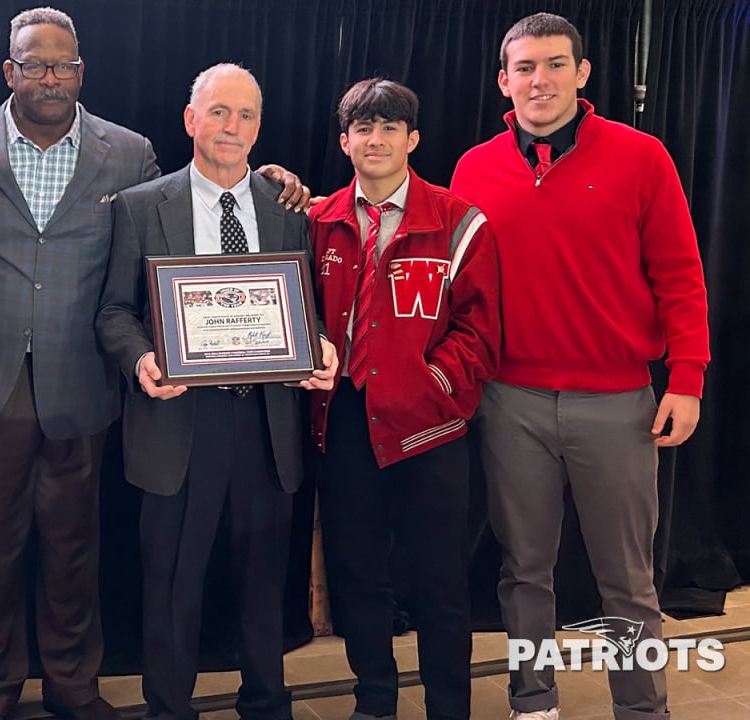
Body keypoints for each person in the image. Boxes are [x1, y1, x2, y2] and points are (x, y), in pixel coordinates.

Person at [0, 9, 307, 720]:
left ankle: (73, 688)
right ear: (9, 71)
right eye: (35, 64)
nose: (50, 77)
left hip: (84, 380)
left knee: (74, 549)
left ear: (82, 71)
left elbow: (186, 217)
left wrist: (270, 177)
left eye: (64, 64)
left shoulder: (127, 153)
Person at [450, 13, 709, 720]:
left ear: (583, 73)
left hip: (617, 400)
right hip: (511, 401)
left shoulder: (641, 156)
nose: (541, 80)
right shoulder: (474, 168)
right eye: (526, 67)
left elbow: (682, 275)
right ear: (505, 81)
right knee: (523, 573)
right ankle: (533, 703)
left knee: (626, 579)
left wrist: (686, 378)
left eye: (555, 64)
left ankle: (642, 708)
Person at [96, 62, 336, 720]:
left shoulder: (286, 210)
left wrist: (319, 347)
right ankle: (169, 708)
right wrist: (142, 357)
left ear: (260, 126)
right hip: (180, 422)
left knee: (264, 582)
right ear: (190, 120)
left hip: (265, 421)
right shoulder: (144, 207)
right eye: (220, 112)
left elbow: (299, 308)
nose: (233, 127)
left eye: (247, 115)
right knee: (172, 584)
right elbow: (114, 312)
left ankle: (267, 703)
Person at [308, 78, 499, 720]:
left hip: (430, 430)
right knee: (359, 574)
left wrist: (431, 387)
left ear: (413, 139)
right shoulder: (319, 222)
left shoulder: (458, 221)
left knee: (440, 581)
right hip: (347, 425)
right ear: (345, 142)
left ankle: (449, 705)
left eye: (391, 128)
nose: (377, 139)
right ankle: (374, 701)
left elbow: (478, 335)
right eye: (364, 128)